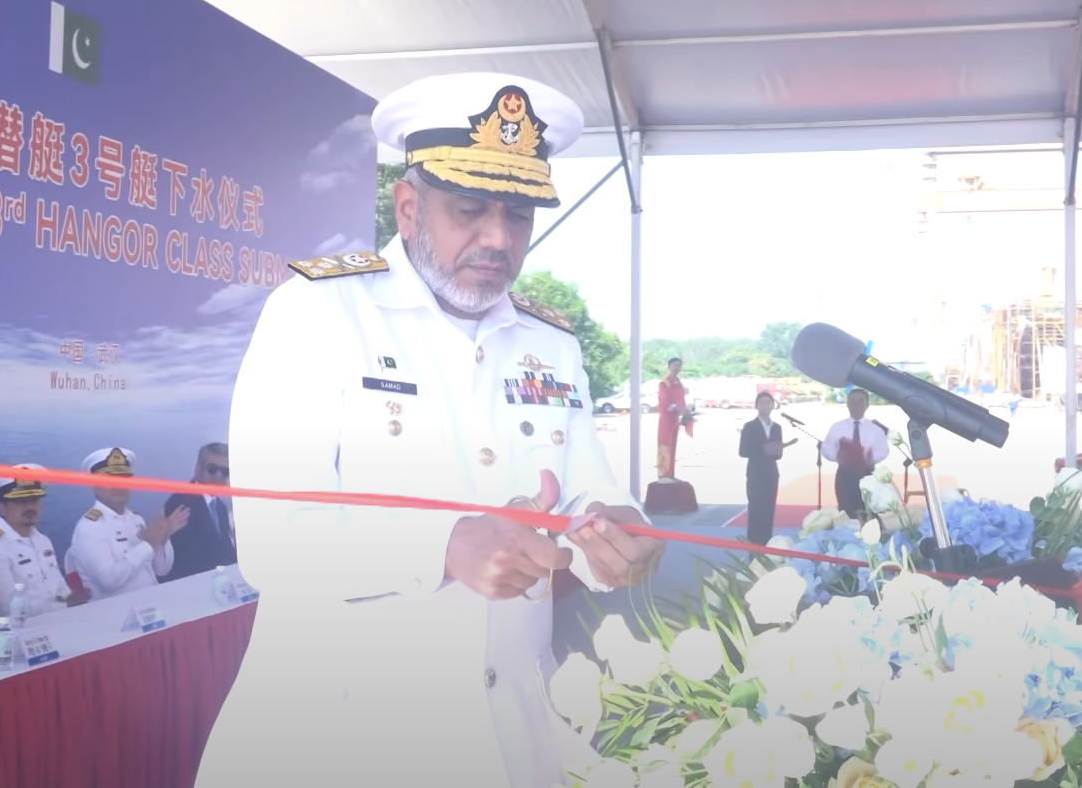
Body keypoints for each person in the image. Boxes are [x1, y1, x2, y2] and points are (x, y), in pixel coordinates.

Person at [196, 72, 664, 788]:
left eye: (519, 215)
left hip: (511, 739)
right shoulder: (318, 311)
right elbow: (270, 537)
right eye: (470, 208)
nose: (497, 238)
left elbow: (587, 497)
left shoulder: (551, 345)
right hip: (342, 740)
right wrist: (442, 545)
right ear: (407, 204)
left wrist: (619, 537)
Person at [0, 468, 89, 626]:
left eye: (34, 500)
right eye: (21, 501)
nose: (30, 507)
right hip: (21, 638)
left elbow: (59, 589)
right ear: (3, 507)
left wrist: (73, 598)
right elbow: (7, 614)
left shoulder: (43, 541)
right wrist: (64, 606)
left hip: (61, 623)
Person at [69, 447, 187, 599]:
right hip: (114, 614)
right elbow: (108, 582)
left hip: (150, 605)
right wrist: (149, 544)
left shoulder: (136, 520)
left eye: (124, 479)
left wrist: (162, 540)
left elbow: (162, 570)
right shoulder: (89, 527)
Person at [161, 443, 239, 582]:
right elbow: (183, 557)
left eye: (225, 472)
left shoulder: (220, 507)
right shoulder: (180, 503)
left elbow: (225, 550)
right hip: (193, 588)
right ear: (198, 468)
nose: (219, 476)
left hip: (218, 586)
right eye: (213, 469)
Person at [821, 388, 890, 516]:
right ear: (847, 404)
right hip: (845, 475)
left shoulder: (875, 429)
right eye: (852, 401)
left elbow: (884, 450)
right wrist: (836, 455)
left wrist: (870, 458)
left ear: (867, 405)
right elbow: (826, 448)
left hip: (868, 474)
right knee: (846, 514)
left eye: (860, 401)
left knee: (869, 513)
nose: (856, 405)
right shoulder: (837, 427)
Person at [738, 391, 785, 545]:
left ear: (773, 405)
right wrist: (763, 449)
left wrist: (776, 451)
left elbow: (779, 454)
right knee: (756, 508)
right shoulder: (750, 426)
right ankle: (754, 543)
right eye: (762, 402)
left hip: (771, 473)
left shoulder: (777, 427)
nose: (765, 405)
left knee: (769, 508)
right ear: (756, 405)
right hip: (755, 472)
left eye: (768, 402)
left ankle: (767, 541)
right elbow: (743, 451)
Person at [657, 357, 690, 479]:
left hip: (675, 419)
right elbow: (666, 402)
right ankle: (663, 474)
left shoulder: (678, 382)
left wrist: (684, 410)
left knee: (673, 446)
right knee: (664, 445)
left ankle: (670, 474)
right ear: (669, 366)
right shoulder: (664, 383)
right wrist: (679, 407)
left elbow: (681, 399)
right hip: (666, 419)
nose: (677, 367)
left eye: (679, 365)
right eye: (674, 365)